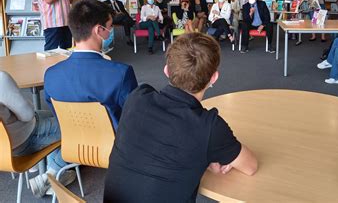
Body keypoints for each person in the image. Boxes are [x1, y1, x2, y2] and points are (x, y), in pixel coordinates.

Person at [103, 33, 258, 202]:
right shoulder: (207, 126)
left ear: (166, 70)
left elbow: (160, 140)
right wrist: (210, 155)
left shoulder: (137, 97)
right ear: (213, 78)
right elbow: (250, 166)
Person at [44, 0, 138, 131]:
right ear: (99, 30)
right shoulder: (121, 74)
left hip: (71, 148)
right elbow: (133, 117)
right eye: (110, 27)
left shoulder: (51, 75)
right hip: (114, 147)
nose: (111, 32)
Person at [0, 71, 76, 197]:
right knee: (76, 128)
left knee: (54, 115)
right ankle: (50, 176)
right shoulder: (1, 79)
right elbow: (27, 115)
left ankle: (53, 174)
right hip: (25, 140)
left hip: (4, 149)